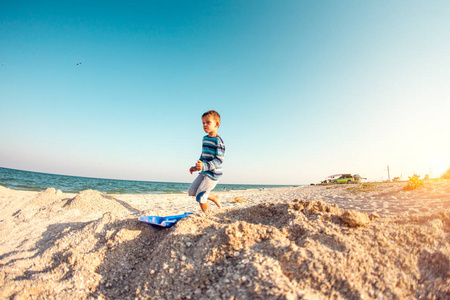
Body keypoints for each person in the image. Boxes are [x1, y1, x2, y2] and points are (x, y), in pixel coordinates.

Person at [188, 110, 225, 212]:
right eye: (203, 123)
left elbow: (219, 160)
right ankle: (213, 197)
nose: (204, 125)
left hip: (213, 174)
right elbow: (203, 155)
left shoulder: (218, 141)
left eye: (208, 122)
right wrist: (196, 167)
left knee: (200, 196)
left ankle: (207, 216)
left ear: (216, 124)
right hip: (205, 171)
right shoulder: (204, 138)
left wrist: (204, 166)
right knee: (192, 191)